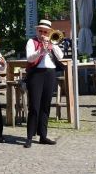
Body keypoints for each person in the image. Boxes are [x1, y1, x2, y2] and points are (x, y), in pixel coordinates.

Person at [24, 19, 64, 148]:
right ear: (37, 31)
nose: (42, 33)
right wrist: (41, 50)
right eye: (40, 31)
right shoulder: (32, 41)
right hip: (36, 74)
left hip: (50, 73)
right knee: (34, 106)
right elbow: (29, 58)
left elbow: (61, 56)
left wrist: (52, 46)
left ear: (49, 32)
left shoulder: (53, 41)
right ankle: (29, 137)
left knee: (46, 105)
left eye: (45, 31)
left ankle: (43, 136)